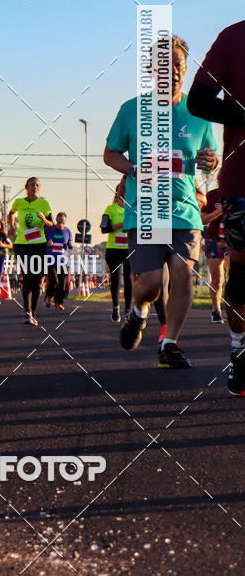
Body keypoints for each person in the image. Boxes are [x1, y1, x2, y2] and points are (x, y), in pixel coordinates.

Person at [104, 34, 218, 369]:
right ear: (153, 69)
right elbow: (110, 153)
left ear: (185, 69)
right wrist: (134, 169)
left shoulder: (197, 114)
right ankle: (138, 312)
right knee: (151, 284)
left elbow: (210, 158)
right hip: (146, 211)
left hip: (184, 210)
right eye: (164, 66)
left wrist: (212, 163)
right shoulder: (132, 110)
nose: (172, 72)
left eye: (178, 65)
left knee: (182, 274)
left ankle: (169, 344)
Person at [187, 20, 245, 394]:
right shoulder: (234, 37)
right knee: (241, 271)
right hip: (243, 179)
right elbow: (198, 99)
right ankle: (240, 353)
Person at [8, 177, 54, 326]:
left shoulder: (43, 203)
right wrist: (11, 226)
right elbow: (11, 213)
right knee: (27, 276)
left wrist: (43, 219)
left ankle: (33, 312)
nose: (35, 187)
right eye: (32, 184)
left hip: (39, 244)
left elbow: (51, 224)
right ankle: (27, 313)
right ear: (26, 186)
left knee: (36, 279)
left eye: (37, 185)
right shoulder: (19, 203)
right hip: (22, 244)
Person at [101, 179, 131, 321]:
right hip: (113, 250)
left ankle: (128, 310)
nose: (124, 193)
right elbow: (104, 228)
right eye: (122, 190)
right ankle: (115, 308)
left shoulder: (133, 208)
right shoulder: (110, 209)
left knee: (129, 281)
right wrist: (120, 224)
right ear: (117, 193)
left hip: (129, 249)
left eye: (127, 190)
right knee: (116, 280)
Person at [199, 185, 226, 323]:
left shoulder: (240, 193)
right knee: (217, 278)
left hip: (233, 238)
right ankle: (216, 310)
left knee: (236, 277)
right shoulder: (212, 195)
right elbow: (202, 219)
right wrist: (218, 212)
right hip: (214, 239)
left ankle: (236, 310)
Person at [44, 212, 74, 310]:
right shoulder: (49, 230)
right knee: (54, 281)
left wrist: (70, 244)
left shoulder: (68, 231)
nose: (61, 223)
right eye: (59, 220)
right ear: (56, 220)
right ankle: (49, 297)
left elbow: (71, 245)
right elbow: (41, 243)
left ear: (65, 222)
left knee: (63, 284)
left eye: (63, 221)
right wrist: (47, 244)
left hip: (64, 261)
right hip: (51, 260)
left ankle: (58, 302)